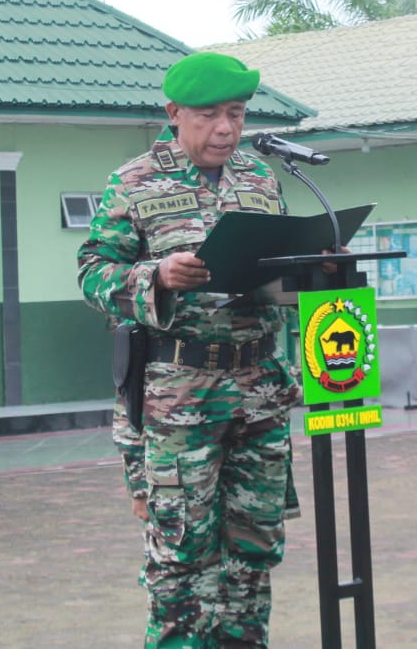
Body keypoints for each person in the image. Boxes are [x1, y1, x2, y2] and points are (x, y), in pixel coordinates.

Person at [77, 51, 301, 648]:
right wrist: (155, 275)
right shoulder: (133, 182)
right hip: (178, 396)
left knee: (252, 555)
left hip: (258, 391)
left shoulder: (260, 179)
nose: (226, 128)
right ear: (174, 114)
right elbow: (93, 273)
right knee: (180, 557)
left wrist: (311, 271)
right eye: (209, 115)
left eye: (237, 114)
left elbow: (277, 269)